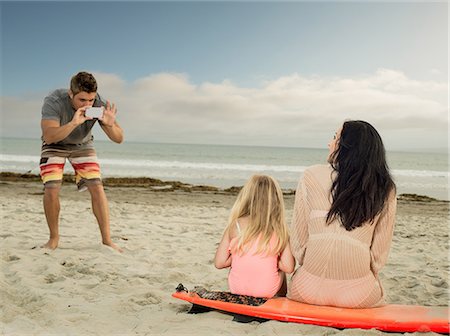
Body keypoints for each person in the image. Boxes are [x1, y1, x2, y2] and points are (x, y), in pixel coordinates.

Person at [288, 120, 397, 308]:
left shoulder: (310, 175)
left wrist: (315, 261)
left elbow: (298, 242)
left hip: (306, 290)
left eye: (334, 138)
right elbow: (379, 256)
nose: (329, 144)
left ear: (347, 147)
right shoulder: (385, 188)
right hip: (358, 297)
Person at [40, 71, 124, 252]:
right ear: (71, 94)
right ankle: (53, 239)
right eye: (82, 100)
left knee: (97, 186)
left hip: (82, 145)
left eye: (91, 100)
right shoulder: (54, 101)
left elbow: (119, 139)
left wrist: (109, 125)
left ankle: (107, 240)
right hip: (56, 143)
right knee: (52, 187)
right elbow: (49, 135)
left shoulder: (99, 104)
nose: (87, 105)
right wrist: (73, 123)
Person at [214, 175, 295, 298]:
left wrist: (239, 256)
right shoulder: (279, 230)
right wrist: (271, 258)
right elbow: (289, 267)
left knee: (240, 265)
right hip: (267, 291)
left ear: (247, 197)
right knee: (281, 272)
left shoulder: (236, 225)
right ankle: (280, 298)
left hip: (237, 290)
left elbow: (219, 263)